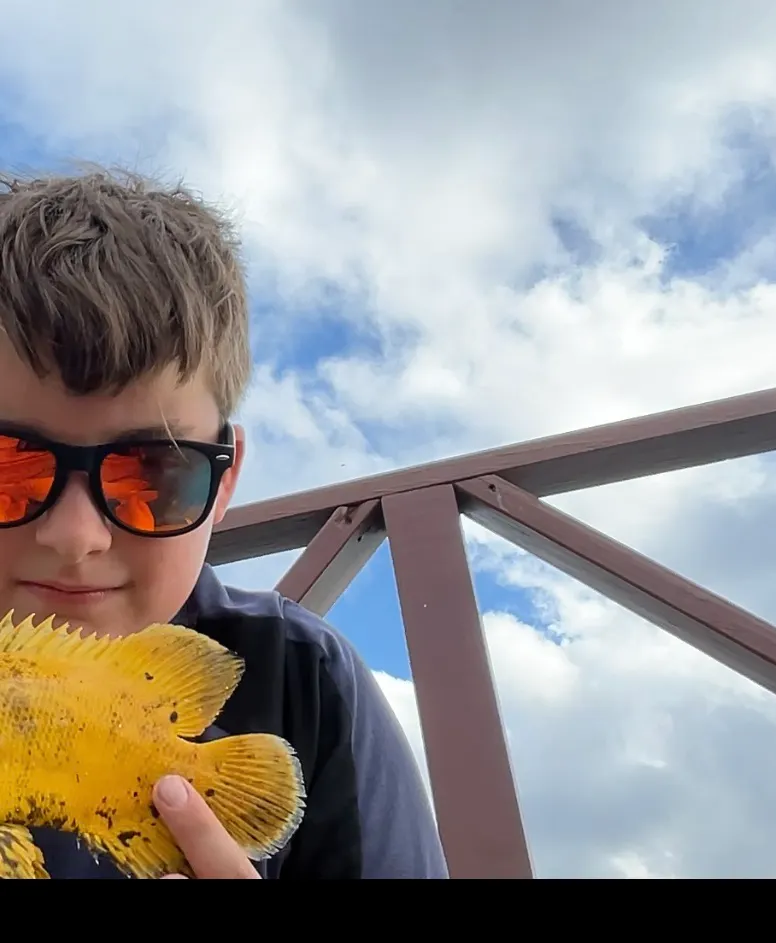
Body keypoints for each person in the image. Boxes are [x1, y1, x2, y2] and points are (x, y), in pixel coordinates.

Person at [0, 168, 448, 879]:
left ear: (226, 478)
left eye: (153, 473)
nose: (75, 536)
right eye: (8, 466)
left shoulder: (302, 676)